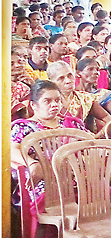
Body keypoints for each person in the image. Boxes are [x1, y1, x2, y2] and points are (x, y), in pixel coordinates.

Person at [10, 81, 87, 225]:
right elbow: (11, 150)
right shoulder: (24, 127)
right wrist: (33, 164)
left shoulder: (72, 123)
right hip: (44, 181)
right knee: (49, 197)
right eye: (47, 101)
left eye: (57, 100)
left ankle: (91, 235)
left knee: (101, 190)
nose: (54, 105)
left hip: (74, 177)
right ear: (33, 105)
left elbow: (89, 146)